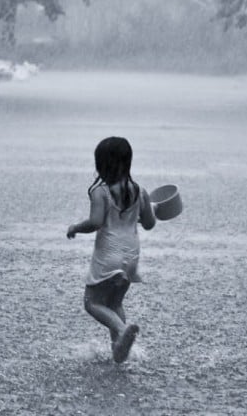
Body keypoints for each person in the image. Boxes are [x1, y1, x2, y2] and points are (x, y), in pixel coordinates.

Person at [66, 136, 156, 363]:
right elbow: (149, 223)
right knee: (115, 302)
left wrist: (76, 227)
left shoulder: (101, 192)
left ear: (101, 165)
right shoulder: (140, 191)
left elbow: (96, 222)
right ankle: (119, 348)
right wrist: (150, 208)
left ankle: (121, 329)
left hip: (109, 255)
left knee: (92, 302)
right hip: (131, 256)